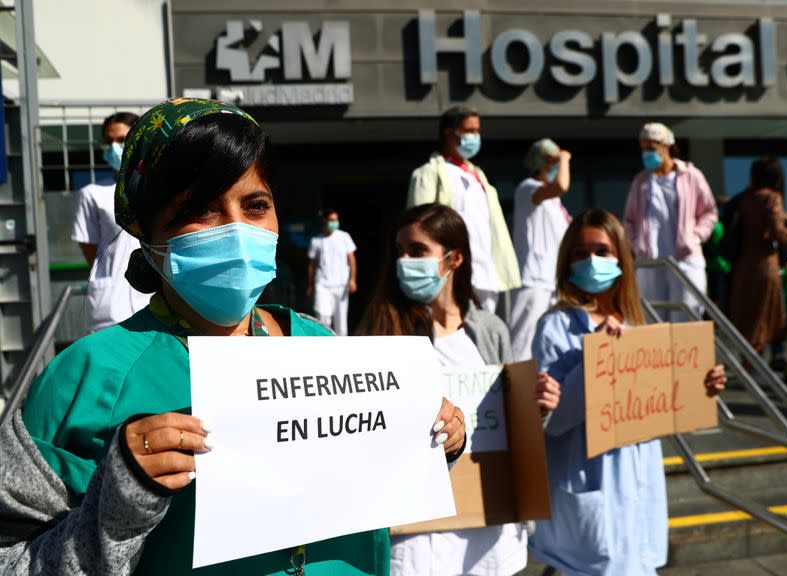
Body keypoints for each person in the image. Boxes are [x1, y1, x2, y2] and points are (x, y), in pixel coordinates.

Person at [0, 98, 466, 575]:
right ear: (149, 235)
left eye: (256, 206)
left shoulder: (321, 345)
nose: (237, 230)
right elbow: (14, 559)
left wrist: (433, 443)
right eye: (200, 210)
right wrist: (120, 499)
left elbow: (368, 490)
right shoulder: (83, 379)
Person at [359, 203, 560, 576]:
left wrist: (538, 411)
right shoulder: (381, 330)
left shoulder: (490, 329)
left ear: (454, 259)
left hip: (488, 534)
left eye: (417, 250)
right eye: (399, 251)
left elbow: (511, 427)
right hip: (418, 540)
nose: (405, 261)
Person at [530, 208, 727, 575]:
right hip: (589, 497)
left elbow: (661, 408)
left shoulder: (638, 328)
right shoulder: (555, 326)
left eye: (602, 251)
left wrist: (701, 386)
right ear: (566, 262)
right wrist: (598, 359)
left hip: (637, 498)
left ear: (621, 257)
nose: (591, 261)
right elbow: (554, 422)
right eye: (580, 253)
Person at [407, 106, 521, 313]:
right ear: (449, 133)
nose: (475, 137)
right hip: (452, 271)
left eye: (477, 131)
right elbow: (417, 228)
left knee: (484, 335)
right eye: (470, 131)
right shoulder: (429, 173)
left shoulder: (477, 176)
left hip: (485, 272)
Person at [623, 122, 718, 321]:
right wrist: (635, 245)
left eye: (651, 148)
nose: (646, 154)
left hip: (685, 261)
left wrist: (695, 237)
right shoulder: (640, 182)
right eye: (643, 149)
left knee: (686, 319)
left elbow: (709, 212)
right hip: (650, 263)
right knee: (652, 320)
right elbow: (629, 221)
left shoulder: (691, 176)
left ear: (666, 146)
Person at [71, 112, 152, 332]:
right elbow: (90, 249)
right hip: (112, 302)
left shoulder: (159, 190)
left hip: (155, 297)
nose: (114, 146)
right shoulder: (93, 194)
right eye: (108, 141)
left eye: (121, 139)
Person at [729, 157, 787, 356]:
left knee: (748, 316)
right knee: (764, 318)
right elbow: (778, 232)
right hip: (765, 264)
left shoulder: (744, 198)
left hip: (743, 265)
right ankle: (760, 366)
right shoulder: (772, 197)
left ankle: (749, 365)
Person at [510, 138, 572, 361]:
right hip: (533, 281)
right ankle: (515, 393)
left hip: (554, 284)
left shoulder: (556, 205)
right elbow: (561, 186)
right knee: (522, 348)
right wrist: (565, 158)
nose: (557, 166)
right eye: (552, 161)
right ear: (541, 163)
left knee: (551, 346)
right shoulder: (528, 188)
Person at [306, 209, 357, 335]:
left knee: (341, 323)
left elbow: (352, 259)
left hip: (341, 285)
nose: (335, 223)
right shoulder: (316, 240)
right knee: (322, 318)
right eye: (332, 220)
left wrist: (352, 280)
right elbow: (312, 266)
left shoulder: (344, 237)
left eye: (336, 220)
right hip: (322, 285)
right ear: (324, 221)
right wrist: (310, 285)